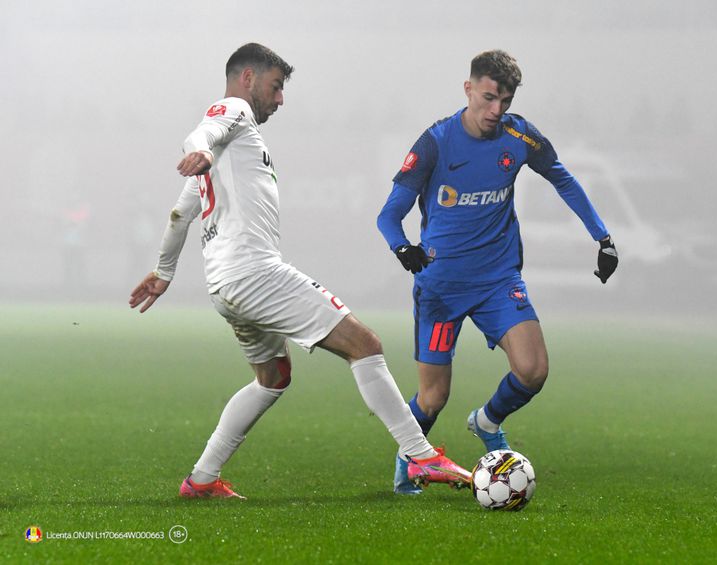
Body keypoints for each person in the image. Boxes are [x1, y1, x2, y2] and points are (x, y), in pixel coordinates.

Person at [129, 43, 470, 498]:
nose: (280, 99)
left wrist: (163, 271)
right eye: (276, 86)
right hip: (254, 273)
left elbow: (180, 213)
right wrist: (201, 151)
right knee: (364, 344)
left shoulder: (231, 152)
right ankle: (421, 456)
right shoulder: (233, 113)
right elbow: (202, 133)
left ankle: (201, 480)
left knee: (272, 377)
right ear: (248, 78)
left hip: (224, 285)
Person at [377, 49, 618, 494]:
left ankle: (486, 421)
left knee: (533, 371)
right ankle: (409, 457)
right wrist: (403, 249)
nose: (496, 110)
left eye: (505, 100)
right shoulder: (435, 142)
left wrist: (602, 238)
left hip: (498, 281)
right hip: (442, 290)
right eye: (489, 98)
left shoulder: (519, 136)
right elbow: (389, 216)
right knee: (432, 398)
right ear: (468, 88)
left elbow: (562, 177)